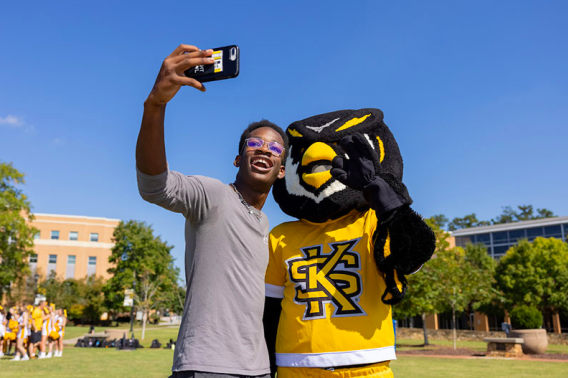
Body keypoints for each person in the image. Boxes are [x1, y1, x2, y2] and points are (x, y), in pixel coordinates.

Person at [136, 44, 288, 378]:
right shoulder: (214, 196)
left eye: (275, 148)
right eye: (254, 143)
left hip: (259, 369)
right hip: (207, 367)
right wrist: (155, 104)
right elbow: (154, 186)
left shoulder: (268, 226)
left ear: (281, 170)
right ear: (238, 159)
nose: (264, 148)